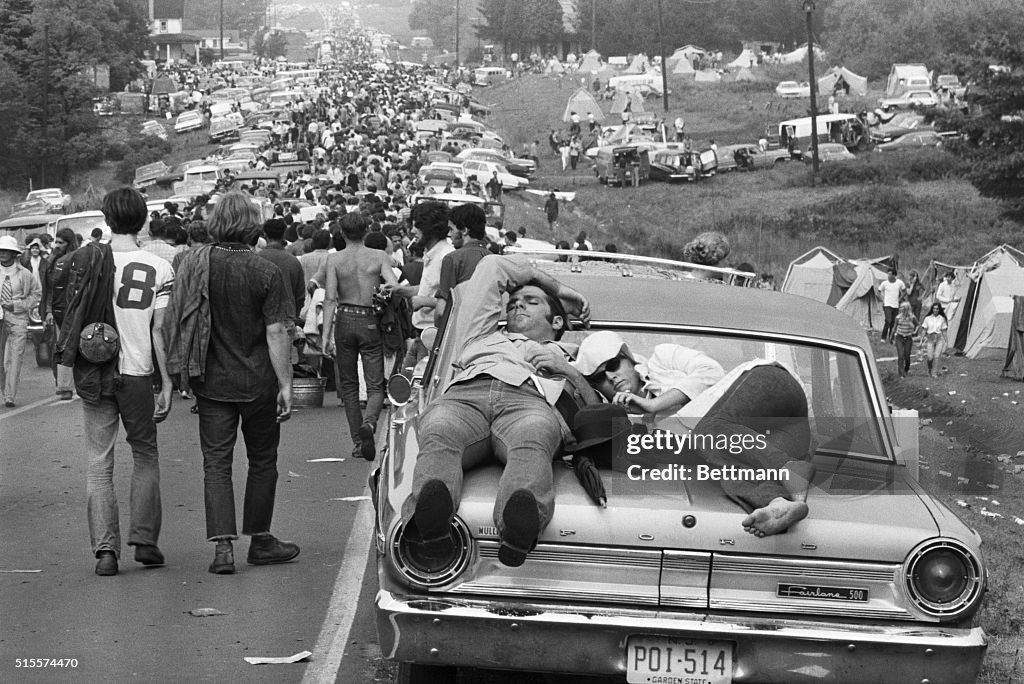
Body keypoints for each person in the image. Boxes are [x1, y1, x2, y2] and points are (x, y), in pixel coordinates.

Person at [401, 255, 593, 567]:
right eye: (513, 301)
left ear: (557, 322)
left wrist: (568, 372)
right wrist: (555, 286)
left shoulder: (575, 355)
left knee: (535, 435)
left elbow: (597, 403)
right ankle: (431, 527)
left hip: (528, 402)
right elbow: (492, 266)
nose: (517, 306)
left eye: (531, 301)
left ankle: (517, 529)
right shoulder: (480, 334)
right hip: (466, 395)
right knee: (438, 426)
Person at [165, 191, 299, 575]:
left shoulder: (197, 263)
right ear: (252, 225)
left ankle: (223, 548)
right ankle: (260, 539)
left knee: (217, 464)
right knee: (262, 460)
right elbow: (277, 331)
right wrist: (285, 383)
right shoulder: (264, 271)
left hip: (211, 382)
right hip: (257, 381)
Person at [574, 331, 814, 537]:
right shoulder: (628, 426)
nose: (611, 377)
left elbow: (711, 372)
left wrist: (653, 405)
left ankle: (791, 469)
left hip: (773, 388)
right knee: (720, 464)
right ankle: (778, 502)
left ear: (628, 356)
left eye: (613, 365)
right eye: (598, 377)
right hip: (776, 440)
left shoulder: (662, 358)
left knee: (707, 432)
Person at [57, 187, 173, 576]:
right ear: (142, 221)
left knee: (99, 462)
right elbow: (159, 332)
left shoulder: (84, 259)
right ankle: (144, 539)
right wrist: (168, 382)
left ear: (107, 219)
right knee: (144, 454)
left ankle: (106, 551)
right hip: (137, 372)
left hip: (95, 371)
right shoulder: (159, 268)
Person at [321, 213, 399, 460]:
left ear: (341, 233)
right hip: (369, 320)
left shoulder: (334, 259)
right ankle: (371, 424)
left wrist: (325, 335)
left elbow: (330, 298)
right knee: (375, 384)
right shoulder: (378, 256)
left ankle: (357, 441)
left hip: (344, 318)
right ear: (366, 231)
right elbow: (393, 285)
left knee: (349, 385)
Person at [0, 235, 41, 407]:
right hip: (0, 319)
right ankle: (3, 387)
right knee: (1, 360)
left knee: (15, 357)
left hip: (18, 319)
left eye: (6, 251)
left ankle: (10, 395)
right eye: (0, 251)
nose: (2, 254)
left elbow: (36, 294)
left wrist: (17, 305)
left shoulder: (25, 274)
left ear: (13, 254)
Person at [435, 203, 492, 324]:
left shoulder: (452, 259)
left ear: (465, 230)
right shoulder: (494, 258)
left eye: (451, 229)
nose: (449, 234)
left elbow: (442, 311)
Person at [39, 228, 78, 400]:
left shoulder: (77, 259)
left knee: (76, 347)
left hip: (74, 310)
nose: (57, 245)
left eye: (61, 242)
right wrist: (48, 311)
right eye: (56, 241)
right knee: (58, 347)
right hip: (56, 310)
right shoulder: (52, 260)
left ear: (69, 243)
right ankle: (64, 386)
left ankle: (74, 385)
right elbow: (49, 290)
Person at [920, 302, 948, 378]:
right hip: (930, 337)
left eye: (937, 309)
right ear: (932, 309)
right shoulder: (927, 318)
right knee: (930, 357)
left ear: (939, 310)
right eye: (934, 308)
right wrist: (921, 339)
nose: (935, 310)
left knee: (936, 356)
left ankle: (934, 372)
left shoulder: (942, 319)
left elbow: (944, 331)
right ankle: (929, 368)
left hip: (939, 338)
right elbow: (924, 330)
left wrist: (946, 342)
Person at [877, 269, 906, 343]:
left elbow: (904, 291)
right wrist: (882, 299)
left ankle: (891, 338)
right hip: (887, 304)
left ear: (894, 275)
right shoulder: (885, 283)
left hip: (895, 305)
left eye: (890, 274)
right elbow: (878, 291)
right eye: (888, 274)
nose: (889, 276)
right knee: (888, 320)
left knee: (893, 322)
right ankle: (883, 338)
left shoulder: (899, 282)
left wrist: (900, 298)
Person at [893, 301, 918, 378]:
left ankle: (906, 368)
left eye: (902, 307)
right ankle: (901, 373)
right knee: (901, 356)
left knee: (907, 355)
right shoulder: (898, 317)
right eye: (900, 307)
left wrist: (915, 332)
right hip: (899, 337)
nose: (900, 309)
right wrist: (892, 337)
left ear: (906, 309)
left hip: (908, 338)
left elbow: (917, 325)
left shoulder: (912, 317)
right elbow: (894, 327)